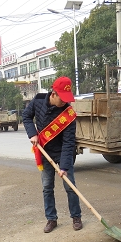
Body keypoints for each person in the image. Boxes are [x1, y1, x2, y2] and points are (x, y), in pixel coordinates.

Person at [22, 76, 82, 233]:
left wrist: (64, 166)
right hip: (44, 152)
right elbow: (26, 116)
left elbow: (69, 143)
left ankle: (76, 217)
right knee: (47, 187)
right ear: (53, 94)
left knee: (70, 186)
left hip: (62, 152)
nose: (65, 102)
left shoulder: (68, 114)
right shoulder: (38, 100)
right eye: (62, 98)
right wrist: (32, 134)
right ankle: (51, 219)